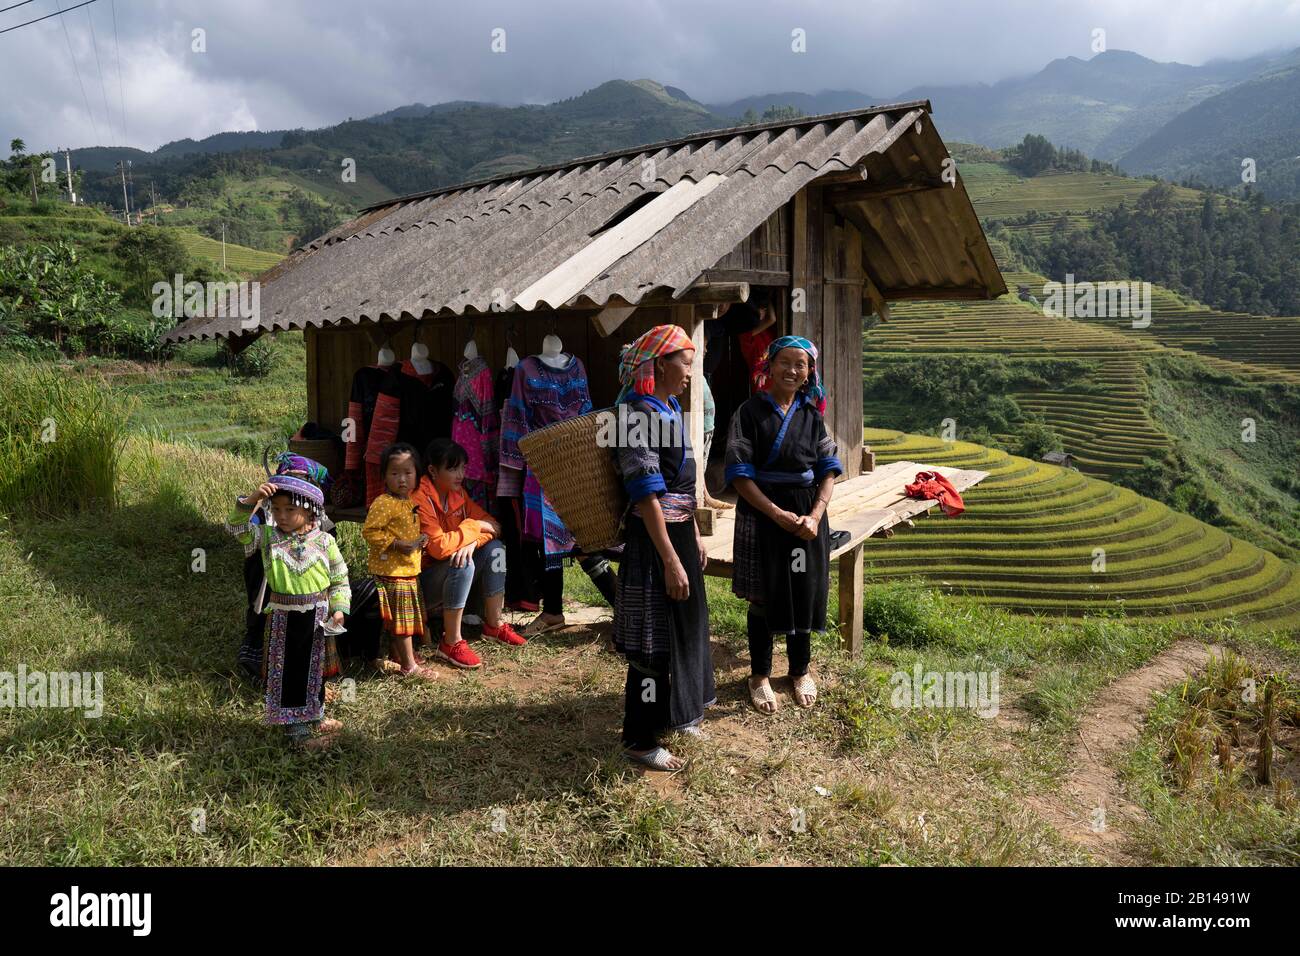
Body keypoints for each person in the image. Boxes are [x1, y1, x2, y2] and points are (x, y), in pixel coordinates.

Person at [611, 324, 715, 771]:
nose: (690, 373)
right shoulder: (635, 415)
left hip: (678, 535)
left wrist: (691, 538)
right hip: (653, 542)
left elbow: (682, 486)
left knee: (686, 625)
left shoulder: (669, 407)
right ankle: (639, 738)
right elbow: (646, 493)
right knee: (652, 639)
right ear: (657, 365)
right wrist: (671, 559)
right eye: (685, 364)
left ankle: (677, 712)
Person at [724, 335, 842, 714]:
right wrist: (776, 514)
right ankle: (759, 675)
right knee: (762, 595)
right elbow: (740, 476)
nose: (793, 370)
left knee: (803, 589)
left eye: (801, 365)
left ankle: (799, 670)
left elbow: (828, 469)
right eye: (785, 363)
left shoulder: (812, 415)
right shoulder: (748, 412)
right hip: (762, 515)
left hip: (807, 516)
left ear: (809, 372)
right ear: (769, 366)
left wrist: (816, 514)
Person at [226, 473, 350, 749]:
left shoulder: (325, 542)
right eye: (277, 509)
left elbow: (340, 577)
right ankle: (297, 735)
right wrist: (254, 499)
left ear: (310, 510)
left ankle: (314, 716)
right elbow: (235, 528)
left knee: (314, 669)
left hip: (318, 616)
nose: (281, 516)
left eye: (290, 509)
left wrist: (339, 609)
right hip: (283, 617)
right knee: (290, 671)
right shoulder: (267, 538)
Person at [415, 437, 527, 670]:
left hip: (450, 570)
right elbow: (438, 548)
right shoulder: (419, 497)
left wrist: (470, 542)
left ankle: (494, 625)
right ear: (433, 471)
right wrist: (473, 528)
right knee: (463, 562)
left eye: (463, 468)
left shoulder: (458, 495)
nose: (460, 475)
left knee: (496, 550)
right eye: (452, 468)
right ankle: (451, 642)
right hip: (421, 584)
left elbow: (494, 526)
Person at [362, 443, 438, 680]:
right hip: (392, 571)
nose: (402, 479)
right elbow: (370, 532)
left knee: (403, 619)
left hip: (407, 570)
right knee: (402, 622)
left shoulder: (409, 501)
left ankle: (400, 655)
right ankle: (409, 666)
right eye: (395, 473)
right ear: (384, 476)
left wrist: (420, 541)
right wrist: (396, 544)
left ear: (417, 475)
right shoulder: (384, 502)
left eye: (408, 473)